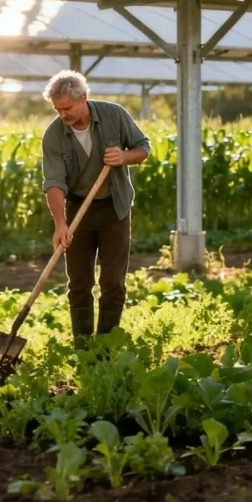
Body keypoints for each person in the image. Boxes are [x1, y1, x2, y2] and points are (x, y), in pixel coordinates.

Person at [41, 70, 150, 348]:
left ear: (83, 98)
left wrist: (124, 156)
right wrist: (61, 223)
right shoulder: (54, 135)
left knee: (113, 281)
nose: (62, 114)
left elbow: (143, 148)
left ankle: (106, 347)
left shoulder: (114, 115)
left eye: (67, 108)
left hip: (115, 207)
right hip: (78, 208)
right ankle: (84, 347)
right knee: (79, 282)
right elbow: (53, 183)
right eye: (57, 109)